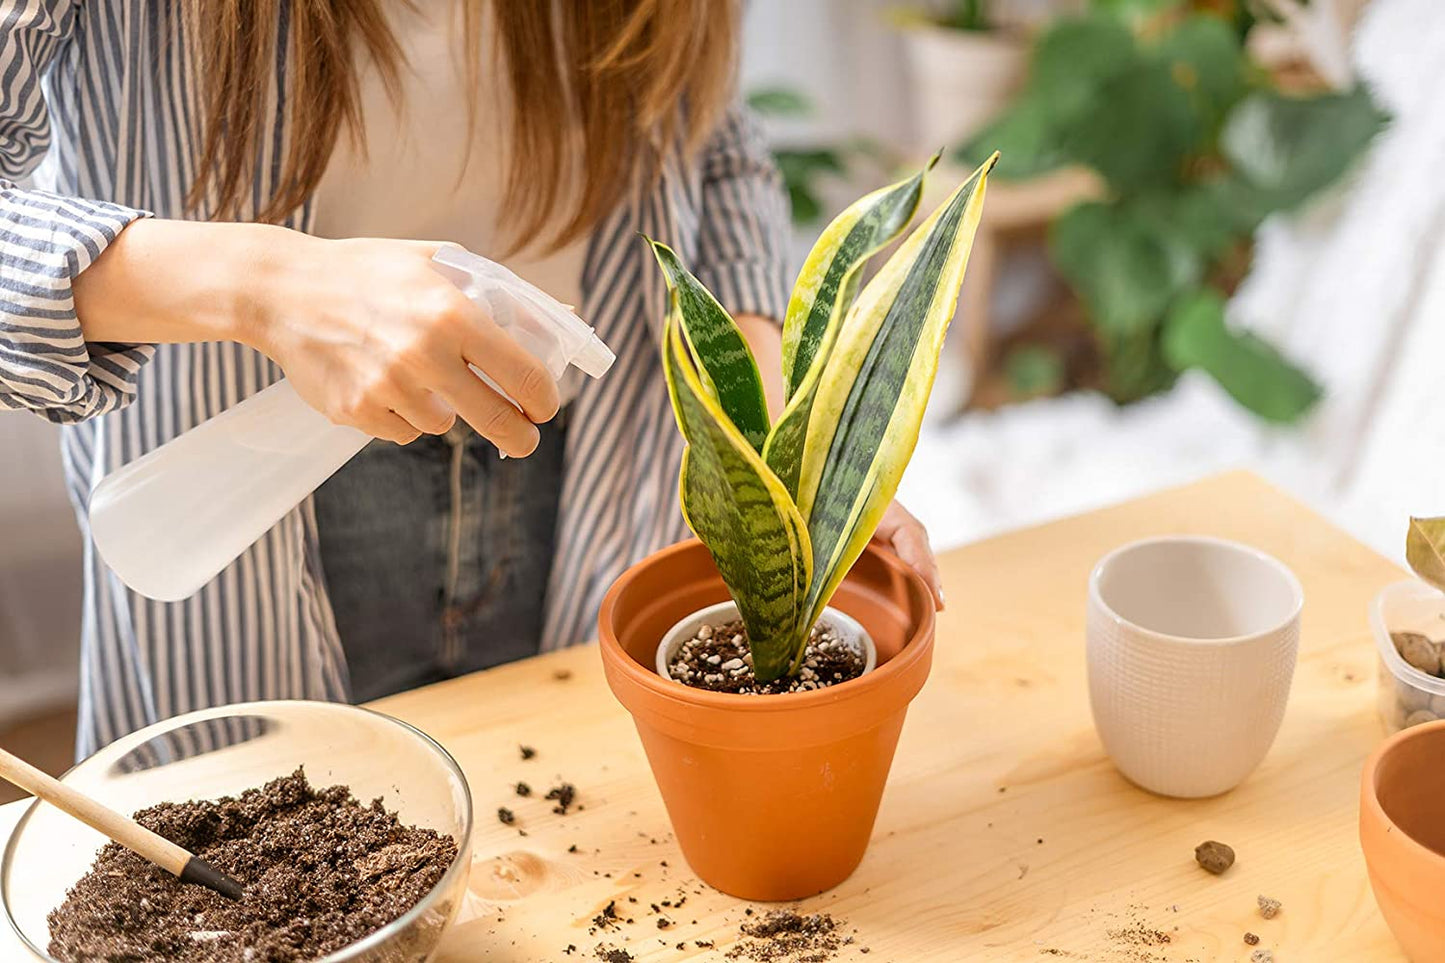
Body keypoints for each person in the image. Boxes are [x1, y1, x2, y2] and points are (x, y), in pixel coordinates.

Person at [0, 0, 944, 758]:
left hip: (595, 470)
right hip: (258, 490)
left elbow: (708, 134)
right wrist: (269, 286)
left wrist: (781, 439)